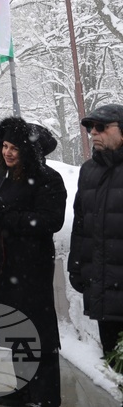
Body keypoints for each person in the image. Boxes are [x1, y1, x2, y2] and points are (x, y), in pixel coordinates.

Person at [0, 116, 65, 407]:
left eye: (14, 147)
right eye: (4, 145)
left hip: (31, 269)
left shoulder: (48, 179)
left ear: (29, 150)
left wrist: (6, 216)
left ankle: (46, 397)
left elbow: (52, 220)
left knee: (38, 332)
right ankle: (24, 389)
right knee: (15, 329)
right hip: (2, 267)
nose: (7, 152)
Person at [69, 104, 123, 364]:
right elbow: (81, 225)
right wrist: (76, 267)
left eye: (101, 127)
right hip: (104, 286)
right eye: (91, 128)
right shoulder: (88, 171)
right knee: (114, 362)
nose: (94, 133)